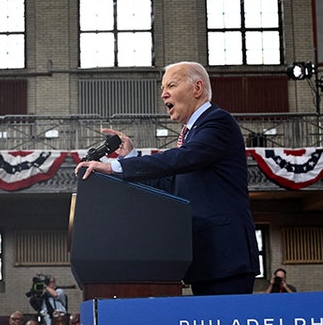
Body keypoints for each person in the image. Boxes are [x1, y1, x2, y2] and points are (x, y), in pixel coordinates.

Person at [76, 61, 259, 296]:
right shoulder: (192, 134)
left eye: (171, 85)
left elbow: (183, 158)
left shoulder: (218, 122)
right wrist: (130, 157)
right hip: (205, 258)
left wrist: (115, 167)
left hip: (227, 256)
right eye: (163, 87)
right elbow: (169, 182)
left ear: (197, 88)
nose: (163, 94)